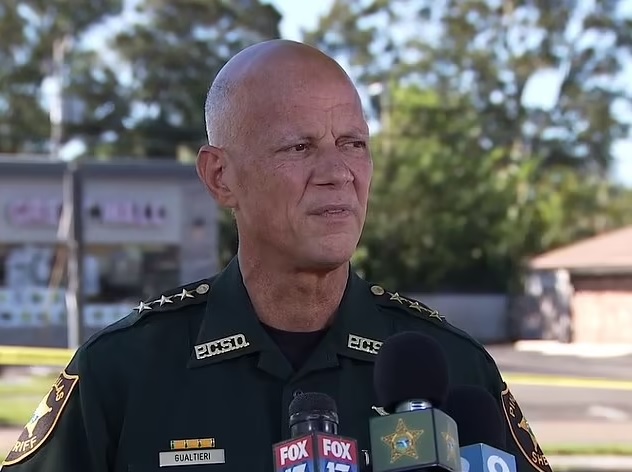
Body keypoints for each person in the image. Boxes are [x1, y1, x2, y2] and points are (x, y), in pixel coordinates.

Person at [1, 40, 552, 472]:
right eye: (300, 146)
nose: (338, 173)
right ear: (221, 176)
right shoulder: (122, 372)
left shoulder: (454, 370)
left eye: (354, 144)